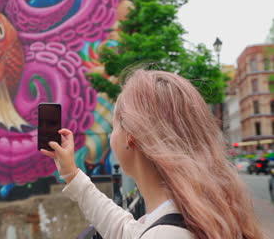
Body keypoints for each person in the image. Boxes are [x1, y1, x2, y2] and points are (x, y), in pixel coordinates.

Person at [40, 69, 264, 239]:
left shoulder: (167, 233)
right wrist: (71, 173)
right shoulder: (188, 212)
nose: (110, 135)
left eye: (114, 125)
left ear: (130, 136)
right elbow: (126, 230)